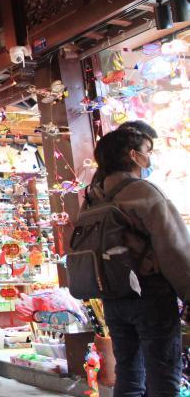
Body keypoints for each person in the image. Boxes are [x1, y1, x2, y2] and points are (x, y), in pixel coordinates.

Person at [87, 127, 190, 396]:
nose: (149, 157)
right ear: (134, 155)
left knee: (130, 374)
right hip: (150, 294)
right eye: (148, 151)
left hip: (113, 297)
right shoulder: (142, 191)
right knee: (163, 373)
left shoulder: (94, 196)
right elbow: (174, 247)